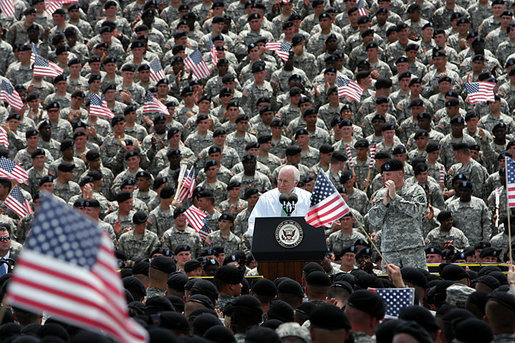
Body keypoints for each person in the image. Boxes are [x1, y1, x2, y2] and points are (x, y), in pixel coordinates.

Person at [368, 158, 428, 270]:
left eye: (389, 174)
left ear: (400, 174)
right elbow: (373, 220)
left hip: (412, 248)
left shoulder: (415, 190)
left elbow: (416, 211)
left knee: (415, 281)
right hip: (390, 249)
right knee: (390, 282)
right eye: (384, 175)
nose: (386, 178)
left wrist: (395, 198)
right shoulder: (379, 194)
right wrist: (384, 204)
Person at [247, 165, 312, 236]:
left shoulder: (307, 199)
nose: (281, 184)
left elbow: (315, 223)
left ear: (296, 183)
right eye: (280, 180)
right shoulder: (266, 199)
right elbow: (253, 223)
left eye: (285, 182)